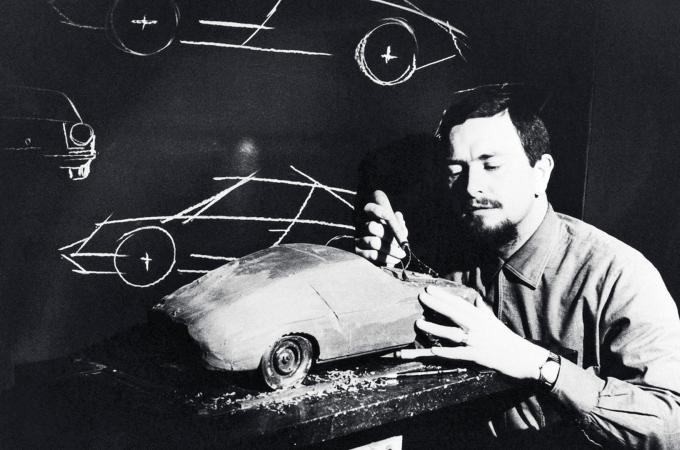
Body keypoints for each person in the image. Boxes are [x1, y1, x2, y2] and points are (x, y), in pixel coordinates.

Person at [355, 83, 680, 448]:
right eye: (456, 169)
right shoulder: (443, 254)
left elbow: (668, 427)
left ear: (541, 173)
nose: (472, 186)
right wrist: (391, 275)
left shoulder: (616, 276)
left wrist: (542, 366)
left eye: (492, 165)